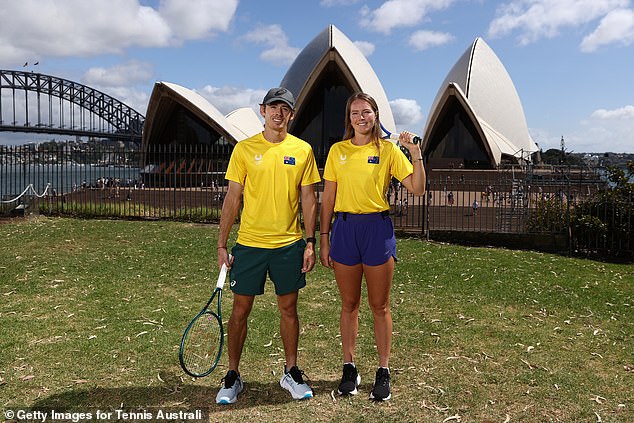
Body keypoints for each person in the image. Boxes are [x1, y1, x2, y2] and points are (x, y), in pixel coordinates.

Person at [215, 87, 321, 404]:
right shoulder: (245, 149)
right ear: (263, 110)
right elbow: (233, 198)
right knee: (240, 311)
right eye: (273, 107)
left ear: (291, 114)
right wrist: (222, 244)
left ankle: (291, 372)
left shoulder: (302, 150)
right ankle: (233, 375)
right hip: (249, 244)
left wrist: (311, 242)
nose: (279, 113)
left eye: (284, 108)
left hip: (289, 245)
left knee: (289, 309)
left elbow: (309, 199)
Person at [319, 92, 425, 401]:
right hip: (345, 230)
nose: (361, 117)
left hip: (376, 230)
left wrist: (415, 153)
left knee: (379, 306)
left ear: (375, 115)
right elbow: (328, 198)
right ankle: (349, 367)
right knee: (349, 304)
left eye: (366, 112)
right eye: (355, 113)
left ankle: (383, 371)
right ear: (348, 118)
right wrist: (323, 237)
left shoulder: (389, 150)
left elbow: (417, 188)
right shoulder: (337, 151)